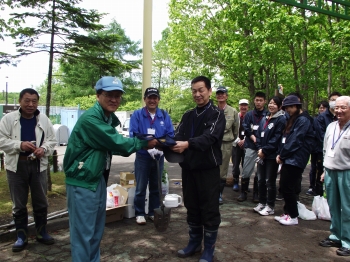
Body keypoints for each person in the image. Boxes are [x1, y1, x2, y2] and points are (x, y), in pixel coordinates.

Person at [63, 76, 157, 262]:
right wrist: (144, 143)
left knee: (96, 231)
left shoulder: (105, 119)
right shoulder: (91, 119)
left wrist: (139, 143)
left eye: (118, 95)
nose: (114, 99)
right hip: (82, 181)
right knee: (83, 234)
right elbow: (117, 142)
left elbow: (114, 147)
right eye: (109, 95)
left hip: (96, 178)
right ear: (98, 95)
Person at [171, 76, 225, 262]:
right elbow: (177, 135)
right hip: (189, 169)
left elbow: (209, 138)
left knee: (209, 208)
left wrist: (186, 144)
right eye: (194, 90)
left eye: (201, 90)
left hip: (208, 170)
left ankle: (209, 248)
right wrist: (166, 143)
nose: (197, 94)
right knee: (191, 205)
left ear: (209, 91)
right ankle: (194, 243)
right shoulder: (187, 115)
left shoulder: (217, 114)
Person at [0, 88, 57, 252]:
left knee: (40, 200)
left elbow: (52, 140)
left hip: (38, 165)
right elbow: (1, 140)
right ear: (20, 101)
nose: (31, 104)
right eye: (27, 101)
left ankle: (42, 232)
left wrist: (43, 149)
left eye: (34, 101)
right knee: (18, 203)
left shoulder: (43, 119)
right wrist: (19, 145)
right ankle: (21, 236)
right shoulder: (9, 119)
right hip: (16, 166)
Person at [129, 87, 174, 225]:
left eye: (155, 98)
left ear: (158, 100)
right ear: (145, 99)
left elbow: (170, 135)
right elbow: (133, 134)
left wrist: (161, 147)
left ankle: (153, 211)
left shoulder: (164, 115)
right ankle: (140, 213)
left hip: (159, 156)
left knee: (156, 186)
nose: (152, 100)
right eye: (149, 97)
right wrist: (146, 145)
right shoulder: (137, 115)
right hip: (143, 155)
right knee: (141, 186)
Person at [275, 95, 313, 226]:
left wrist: (282, 155)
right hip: (289, 158)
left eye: (289, 108)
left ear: (296, 106)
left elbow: (296, 141)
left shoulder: (303, 120)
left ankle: (293, 216)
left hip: (296, 159)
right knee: (284, 186)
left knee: (288, 187)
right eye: (285, 108)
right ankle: (287, 213)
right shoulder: (293, 119)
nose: (287, 111)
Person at [319, 96, 350, 256]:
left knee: (348, 207)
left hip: (347, 173)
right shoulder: (331, 126)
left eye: (343, 107)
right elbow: (326, 149)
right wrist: (324, 170)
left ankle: (348, 241)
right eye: (336, 108)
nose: (339, 111)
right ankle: (335, 235)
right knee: (333, 205)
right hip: (330, 171)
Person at [254, 96, 286, 216]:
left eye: (274, 104)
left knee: (269, 181)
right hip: (261, 154)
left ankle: (270, 205)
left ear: (279, 106)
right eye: (271, 103)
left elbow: (277, 138)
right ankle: (262, 202)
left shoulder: (281, 119)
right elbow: (258, 135)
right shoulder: (265, 118)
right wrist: (259, 149)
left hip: (271, 155)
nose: (272, 105)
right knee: (260, 180)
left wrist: (265, 150)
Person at [237, 92, 267, 202]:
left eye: (261, 100)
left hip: (262, 147)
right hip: (250, 145)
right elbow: (246, 127)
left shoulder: (267, 114)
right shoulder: (249, 114)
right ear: (254, 101)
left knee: (259, 172)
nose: (258, 102)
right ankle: (243, 192)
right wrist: (251, 136)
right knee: (246, 170)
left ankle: (256, 194)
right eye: (257, 100)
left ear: (264, 101)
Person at [313, 92, 342, 196]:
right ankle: (320, 197)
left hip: (340, 157)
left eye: (336, 100)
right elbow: (322, 137)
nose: (334, 102)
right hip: (323, 152)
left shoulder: (341, 118)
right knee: (321, 175)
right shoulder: (321, 118)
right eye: (332, 100)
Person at [215, 86, 239, 205]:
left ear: (226, 96)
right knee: (211, 167)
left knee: (223, 169)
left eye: (222, 93)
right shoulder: (212, 110)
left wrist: (231, 139)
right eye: (218, 94)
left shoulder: (232, 111)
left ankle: (219, 194)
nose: (220, 95)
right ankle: (211, 193)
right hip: (213, 143)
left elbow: (236, 129)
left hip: (226, 143)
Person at [306, 100, 329, 196]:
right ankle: (312, 186)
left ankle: (319, 188)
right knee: (313, 167)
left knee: (320, 168)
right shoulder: (315, 119)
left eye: (323, 107)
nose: (321, 109)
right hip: (314, 148)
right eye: (320, 107)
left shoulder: (330, 119)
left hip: (322, 149)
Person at [231, 99, 249, 192]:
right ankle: (235, 182)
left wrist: (245, 140)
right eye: (242, 105)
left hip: (247, 144)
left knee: (246, 165)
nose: (243, 107)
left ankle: (245, 184)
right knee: (235, 164)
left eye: (245, 105)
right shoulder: (235, 116)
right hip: (236, 144)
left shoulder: (250, 117)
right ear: (239, 106)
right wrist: (238, 140)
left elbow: (252, 130)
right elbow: (231, 129)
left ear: (248, 107)